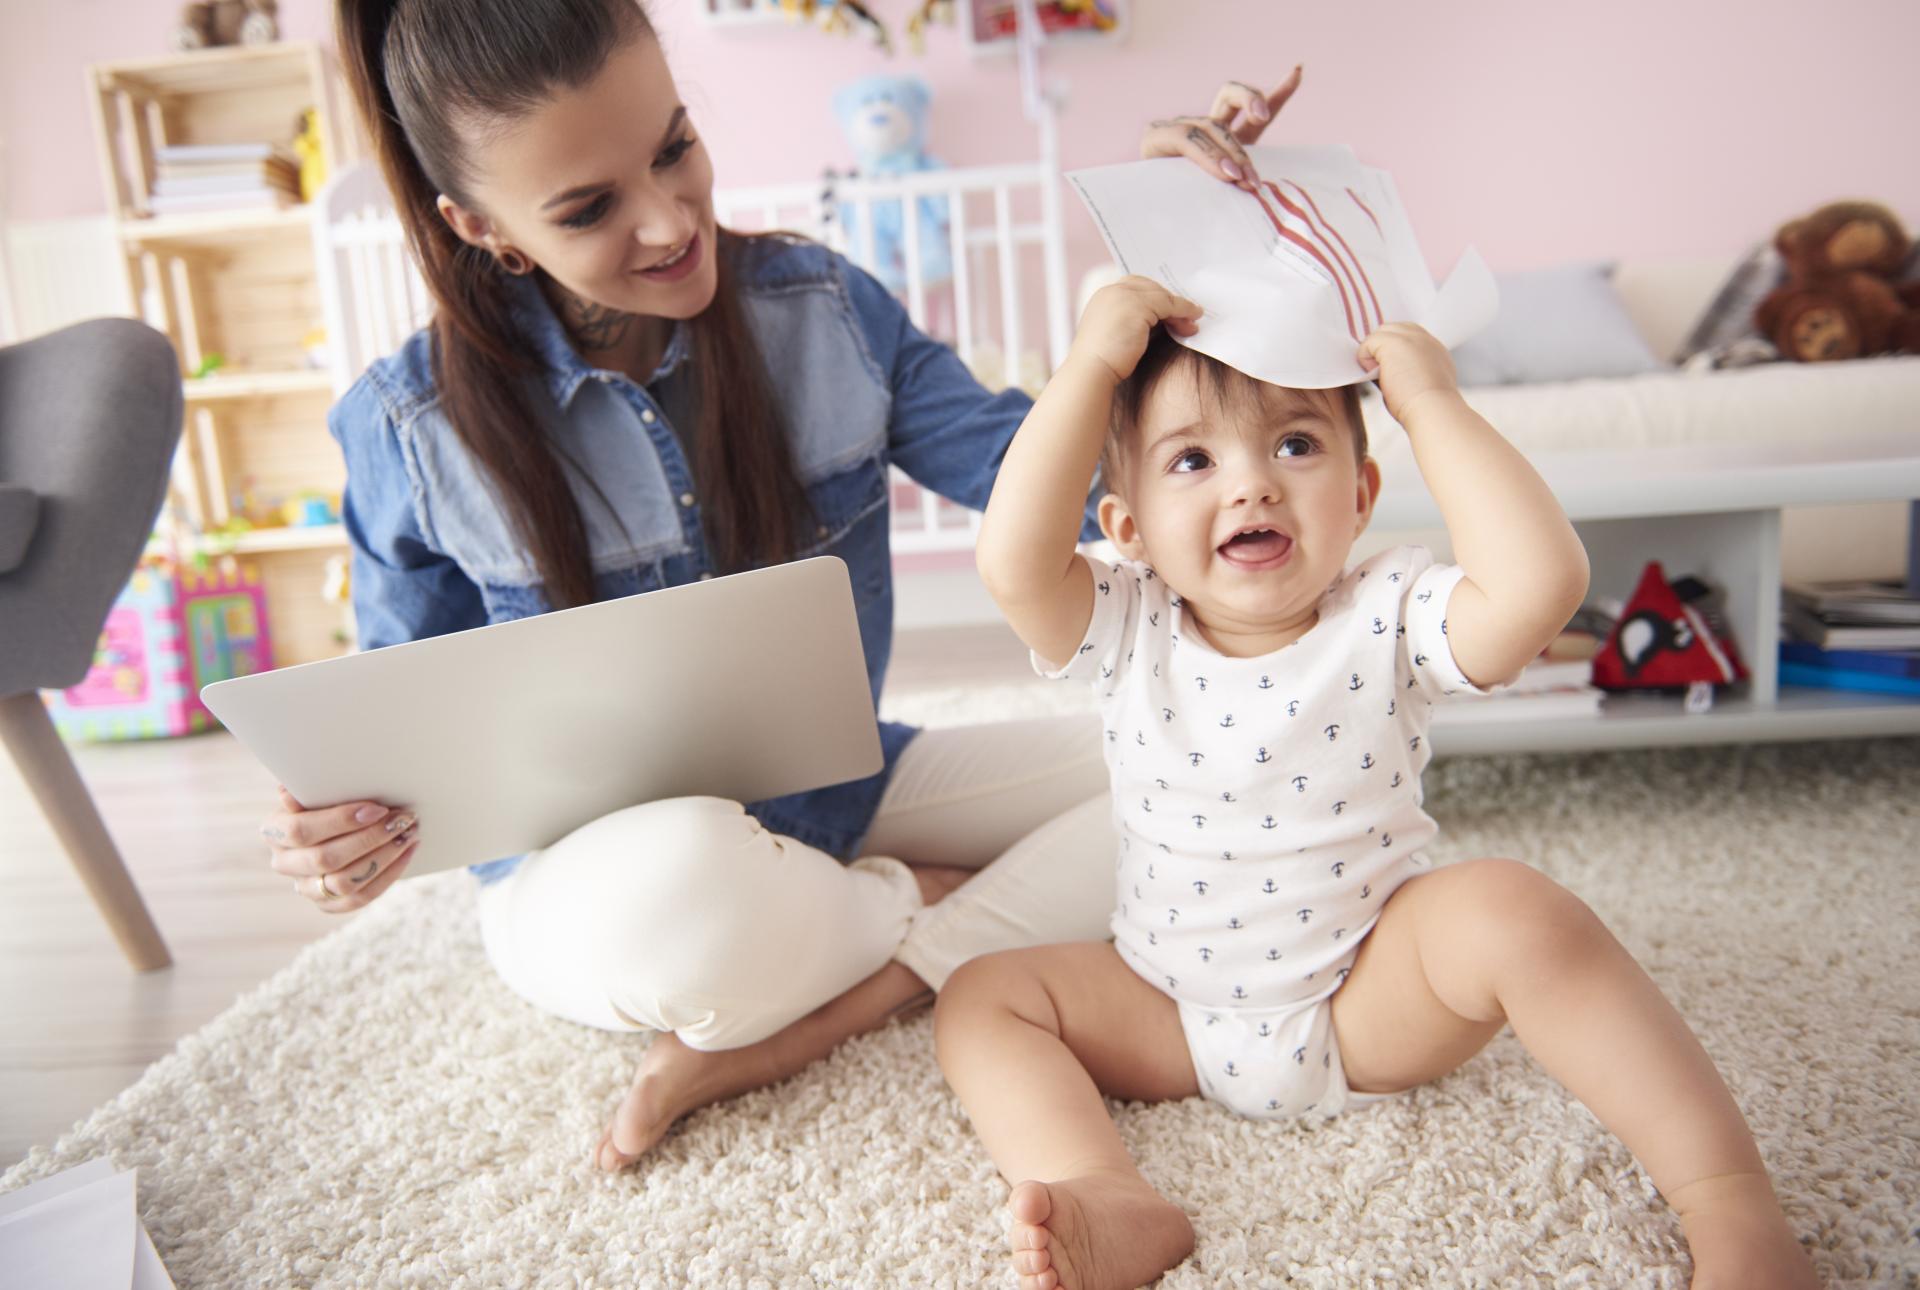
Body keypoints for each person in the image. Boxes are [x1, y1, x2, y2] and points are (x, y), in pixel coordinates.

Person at [256, 0, 1306, 1172]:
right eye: (589, 208)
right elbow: (405, 733)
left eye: (674, 148)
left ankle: (846, 989)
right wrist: (341, 834)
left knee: (1241, 766)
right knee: (684, 884)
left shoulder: (823, 312)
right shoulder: (410, 428)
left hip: (836, 795)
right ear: (482, 226)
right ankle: (912, 905)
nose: (670, 221)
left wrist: (1179, 248)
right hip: (608, 882)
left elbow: (1070, 482)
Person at [936, 279, 1822, 1289]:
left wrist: (1431, 404)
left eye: (1295, 445)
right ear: (1127, 527)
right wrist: (1090, 368)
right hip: (1163, 1004)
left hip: (1367, 996)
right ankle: (1104, 1187)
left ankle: (1730, 1203)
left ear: (1360, 495)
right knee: (982, 997)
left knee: (1515, 908)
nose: (1251, 485)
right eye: (1193, 460)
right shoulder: (1122, 621)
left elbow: (1540, 586)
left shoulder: (1391, 610)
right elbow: (1013, 563)